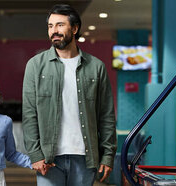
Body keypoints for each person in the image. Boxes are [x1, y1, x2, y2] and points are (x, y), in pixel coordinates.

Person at [22, 4, 117, 186]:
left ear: (74, 28)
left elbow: (106, 116)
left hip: (85, 157)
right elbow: (29, 114)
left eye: (59, 25)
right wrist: (35, 154)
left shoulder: (96, 67)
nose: (54, 31)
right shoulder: (35, 66)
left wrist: (108, 156)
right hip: (49, 159)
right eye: (50, 26)